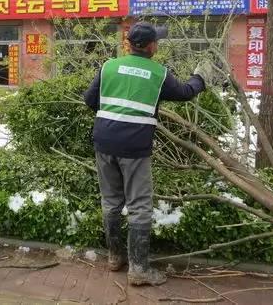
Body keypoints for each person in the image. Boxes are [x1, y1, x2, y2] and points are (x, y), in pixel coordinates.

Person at [83, 22, 213, 286]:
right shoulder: (159, 73)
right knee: (139, 206)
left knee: (111, 202)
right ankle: (139, 269)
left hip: (104, 142)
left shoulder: (109, 67)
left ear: (128, 44)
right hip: (134, 147)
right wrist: (200, 78)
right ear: (151, 46)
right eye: (158, 42)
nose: (158, 45)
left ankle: (114, 257)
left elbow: (89, 100)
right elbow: (186, 93)